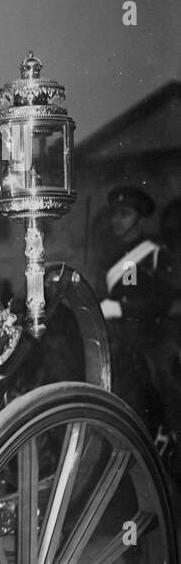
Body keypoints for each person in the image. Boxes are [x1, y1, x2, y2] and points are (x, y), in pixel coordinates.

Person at [100, 186, 181, 435]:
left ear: (140, 218)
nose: (117, 220)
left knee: (165, 380)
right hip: (121, 336)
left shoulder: (154, 255)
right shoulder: (117, 258)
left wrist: (120, 308)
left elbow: (164, 300)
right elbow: (128, 287)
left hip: (152, 336)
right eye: (114, 213)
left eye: (124, 213)